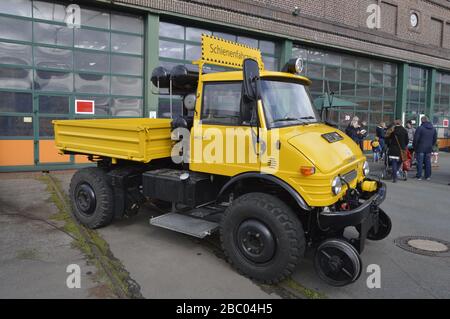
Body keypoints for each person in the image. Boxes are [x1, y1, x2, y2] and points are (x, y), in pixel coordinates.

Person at [413, 116, 437, 181]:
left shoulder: (420, 128)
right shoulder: (433, 129)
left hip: (420, 147)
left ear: (422, 121)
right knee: (428, 162)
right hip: (429, 148)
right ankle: (428, 176)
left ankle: (419, 176)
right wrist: (431, 145)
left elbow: (416, 139)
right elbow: (435, 139)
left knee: (420, 162)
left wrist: (414, 147)